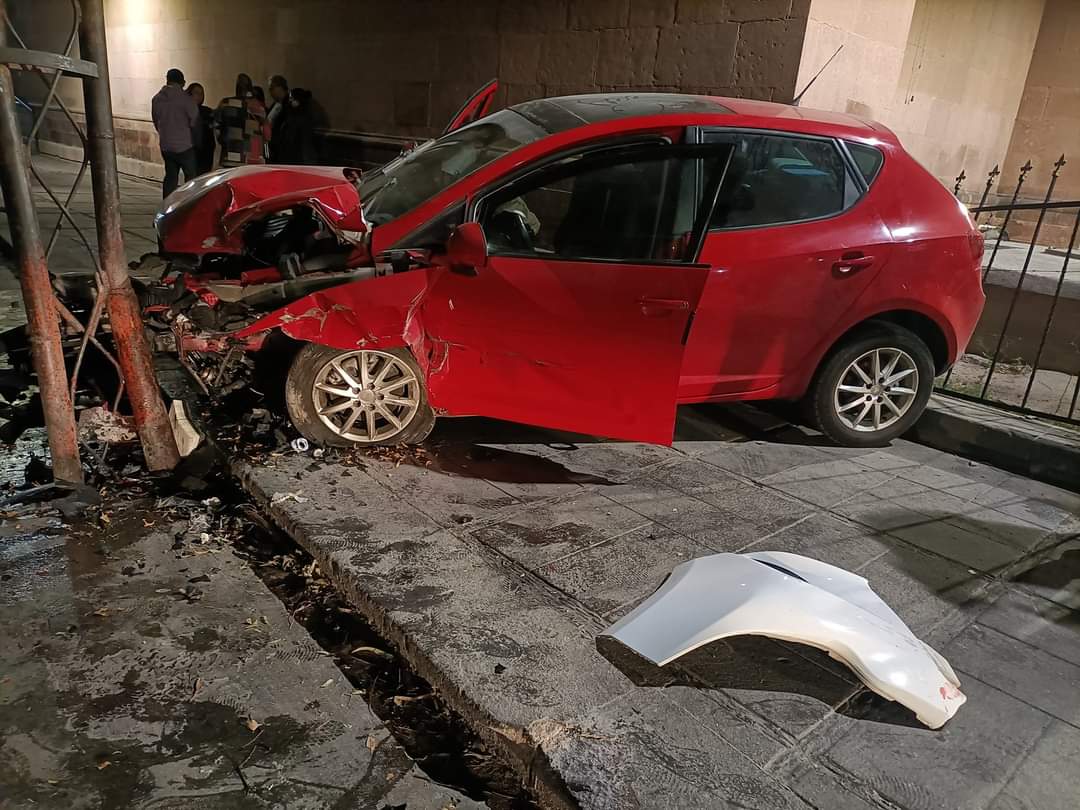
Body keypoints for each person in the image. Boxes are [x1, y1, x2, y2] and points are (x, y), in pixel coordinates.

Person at [151, 68, 199, 197]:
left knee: (171, 177)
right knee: (190, 177)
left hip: (166, 144)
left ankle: (167, 205)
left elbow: (156, 121)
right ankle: (188, 203)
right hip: (184, 145)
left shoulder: (156, 99)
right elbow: (194, 120)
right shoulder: (186, 99)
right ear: (182, 82)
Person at [215, 73, 269, 167]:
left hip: (231, 152)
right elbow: (267, 133)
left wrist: (224, 140)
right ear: (250, 87)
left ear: (237, 87)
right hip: (254, 155)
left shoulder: (225, 103)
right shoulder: (258, 106)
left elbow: (216, 127)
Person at [276, 88, 318, 165]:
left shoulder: (303, 119)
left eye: (292, 98)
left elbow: (306, 144)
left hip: (297, 159)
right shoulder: (290, 115)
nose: (290, 100)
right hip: (288, 156)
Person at [186, 82, 215, 175]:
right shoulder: (186, 110)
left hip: (206, 149)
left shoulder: (207, 111)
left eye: (202, 93)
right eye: (196, 93)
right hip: (192, 148)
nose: (200, 96)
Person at [267, 75, 289, 162]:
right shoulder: (275, 105)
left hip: (282, 148)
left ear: (279, 87)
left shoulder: (288, 105)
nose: (270, 92)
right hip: (272, 146)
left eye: (272, 88)